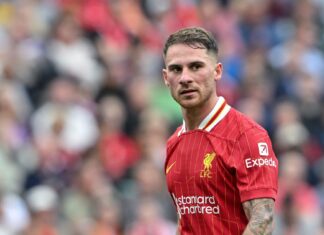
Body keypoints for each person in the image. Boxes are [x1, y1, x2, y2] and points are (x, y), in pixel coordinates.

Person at [162, 27, 278, 235]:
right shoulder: (173, 143)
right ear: (165, 77)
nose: (185, 78)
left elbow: (263, 220)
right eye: (176, 69)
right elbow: (186, 222)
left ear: (217, 71)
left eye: (196, 66)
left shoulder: (248, 136)